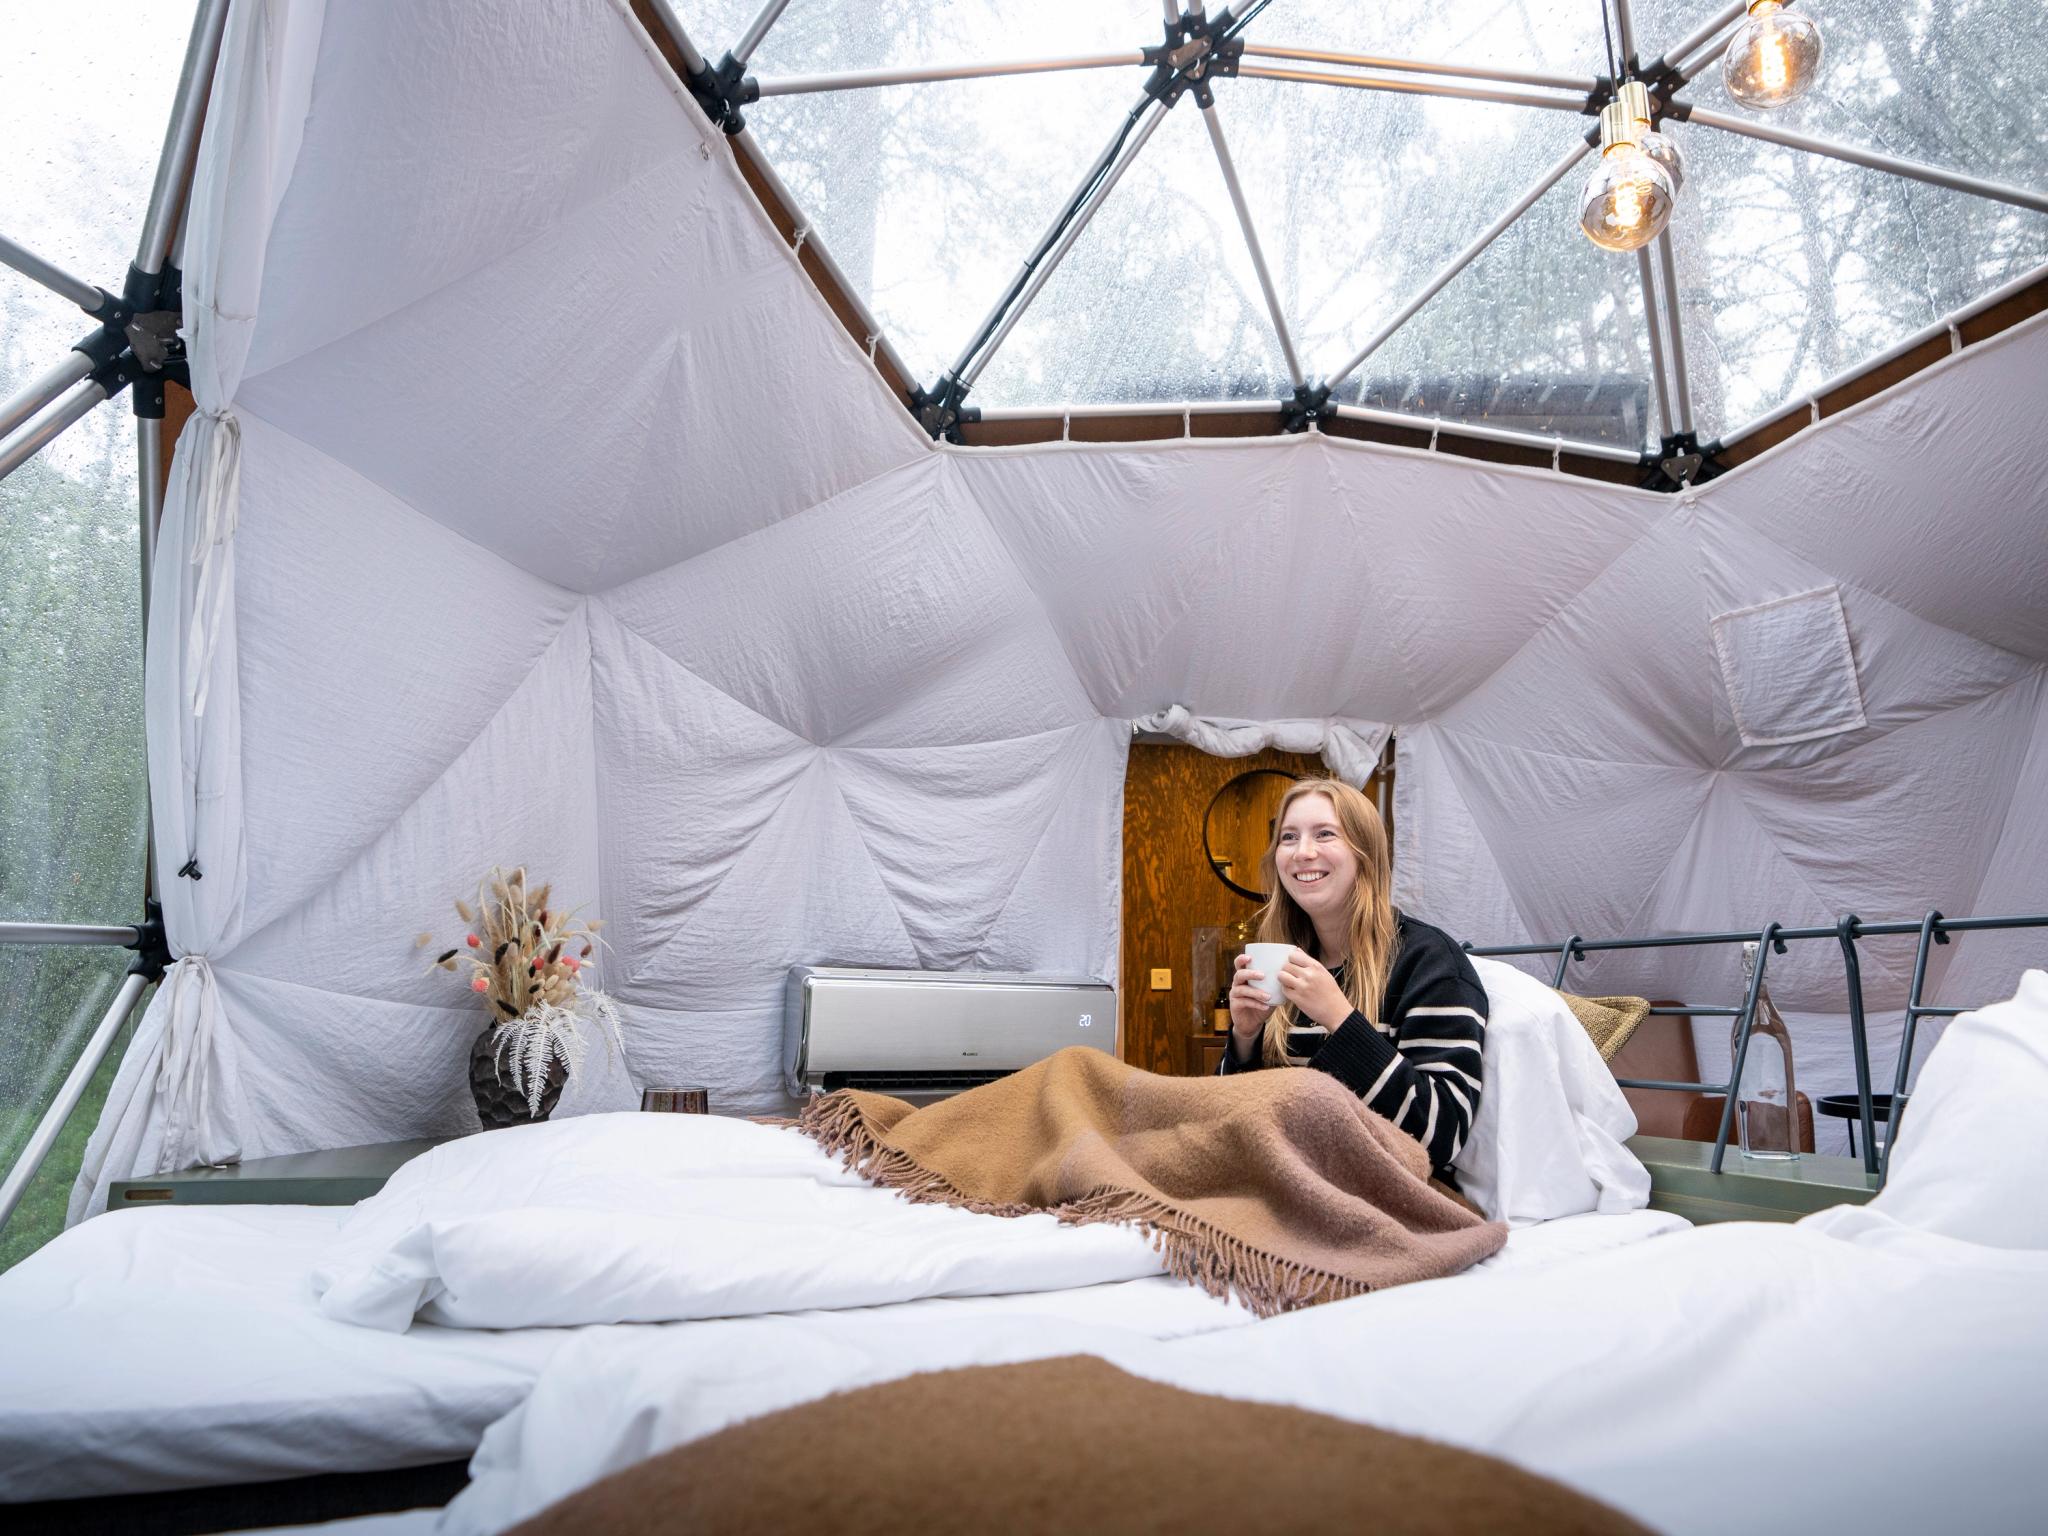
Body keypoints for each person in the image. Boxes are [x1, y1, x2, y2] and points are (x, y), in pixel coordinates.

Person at [1222, 777, 1487, 1179]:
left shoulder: (1430, 963)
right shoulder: (1287, 958)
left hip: (1379, 1185)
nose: (1302, 852)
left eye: (1325, 834)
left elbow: (1441, 1135)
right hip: (1282, 1172)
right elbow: (1238, 1120)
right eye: (1288, 837)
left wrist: (1341, 1020)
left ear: (1365, 853)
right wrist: (1244, 1039)